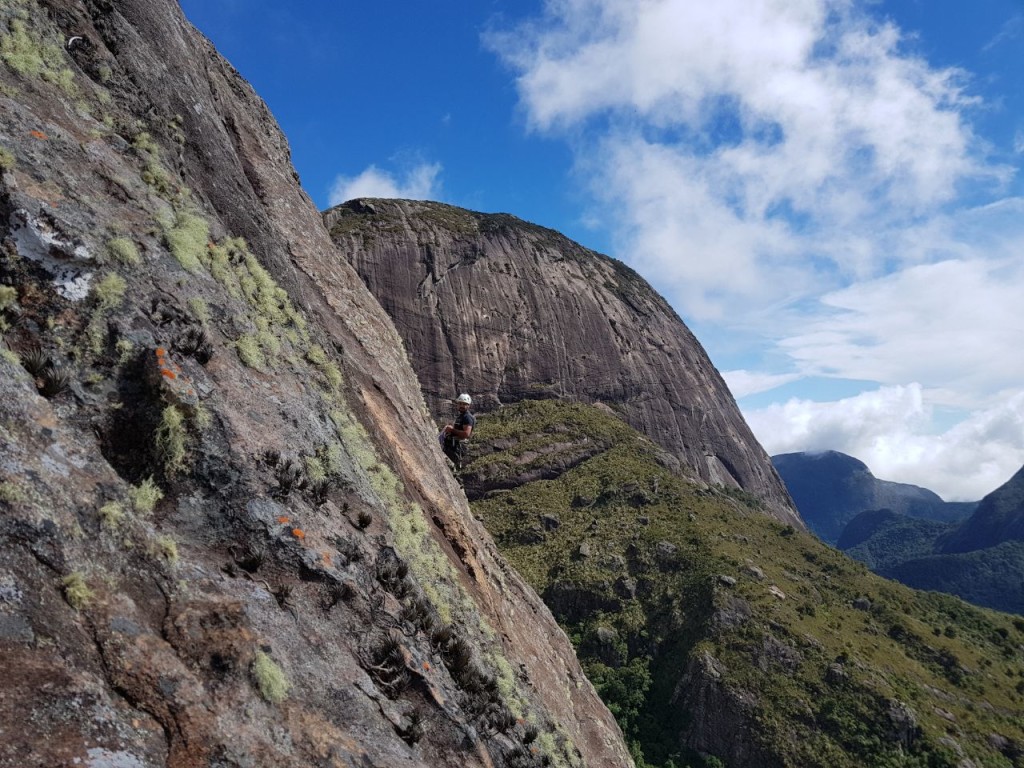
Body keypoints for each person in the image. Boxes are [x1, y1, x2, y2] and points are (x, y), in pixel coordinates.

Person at [442, 393, 475, 471]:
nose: (462, 406)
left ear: (468, 405)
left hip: (457, 447)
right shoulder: (461, 416)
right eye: (460, 403)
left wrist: (452, 430)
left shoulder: (467, 417)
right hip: (453, 445)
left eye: (464, 404)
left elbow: (466, 434)